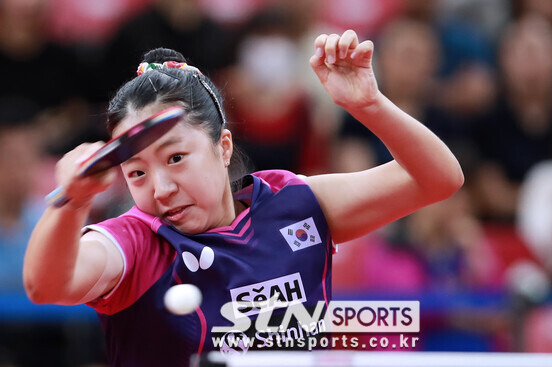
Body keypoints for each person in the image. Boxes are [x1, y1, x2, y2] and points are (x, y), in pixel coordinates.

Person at [23, 30, 463, 365]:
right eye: (136, 172)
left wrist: (369, 105)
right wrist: (71, 204)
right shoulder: (136, 242)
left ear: (223, 146)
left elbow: (438, 179)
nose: (159, 189)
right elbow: (46, 286)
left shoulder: (293, 204)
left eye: (176, 158)